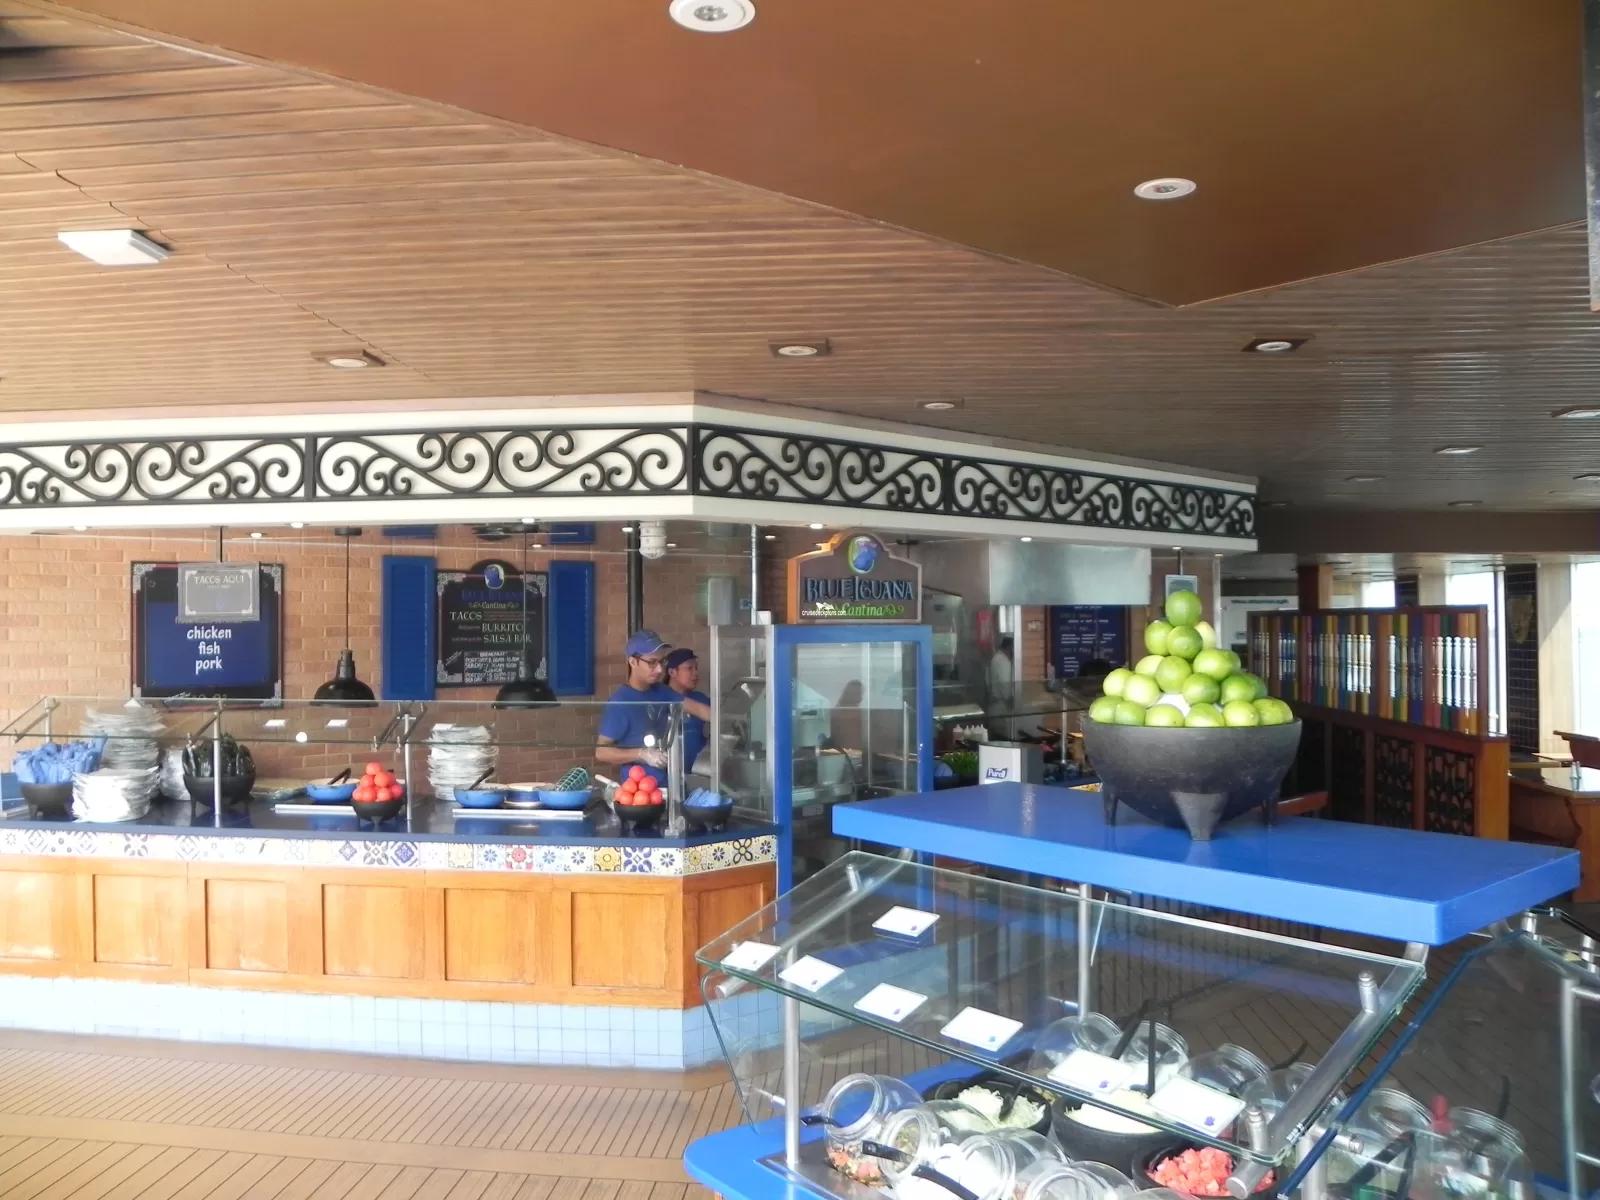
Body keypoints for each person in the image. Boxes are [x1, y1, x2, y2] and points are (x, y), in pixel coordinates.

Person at [594, 630, 711, 789]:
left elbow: (699, 709)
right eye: (651, 662)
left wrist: (727, 720)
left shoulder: (661, 691)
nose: (659, 670)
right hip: (638, 789)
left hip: (670, 784)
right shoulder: (620, 702)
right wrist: (641, 754)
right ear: (633, 662)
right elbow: (601, 752)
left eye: (662, 662)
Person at [663, 647, 711, 773]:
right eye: (689, 668)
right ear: (672, 672)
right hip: (667, 773)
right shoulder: (659, 700)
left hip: (697, 772)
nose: (695, 673)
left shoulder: (700, 699)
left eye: (696, 668)